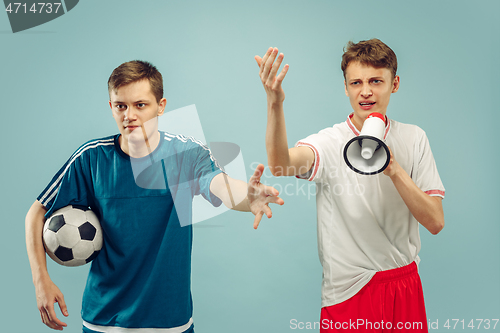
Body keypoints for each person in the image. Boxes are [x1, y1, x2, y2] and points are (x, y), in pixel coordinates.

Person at [25, 60, 284, 332]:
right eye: (120, 106)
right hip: (103, 321)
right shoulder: (91, 158)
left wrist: (249, 197)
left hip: (170, 322)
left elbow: (221, 186)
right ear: (111, 107)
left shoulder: (186, 154)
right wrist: (40, 280)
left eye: (140, 105)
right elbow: (36, 213)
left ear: (161, 106)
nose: (129, 115)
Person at [255, 39, 445, 332]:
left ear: (394, 84)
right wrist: (275, 102)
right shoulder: (329, 142)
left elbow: (435, 222)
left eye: (376, 81)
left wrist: (394, 169)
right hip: (350, 292)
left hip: (404, 284)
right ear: (346, 88)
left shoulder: (415, 138)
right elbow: (281, 165)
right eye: (356, 82)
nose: (366, 91)